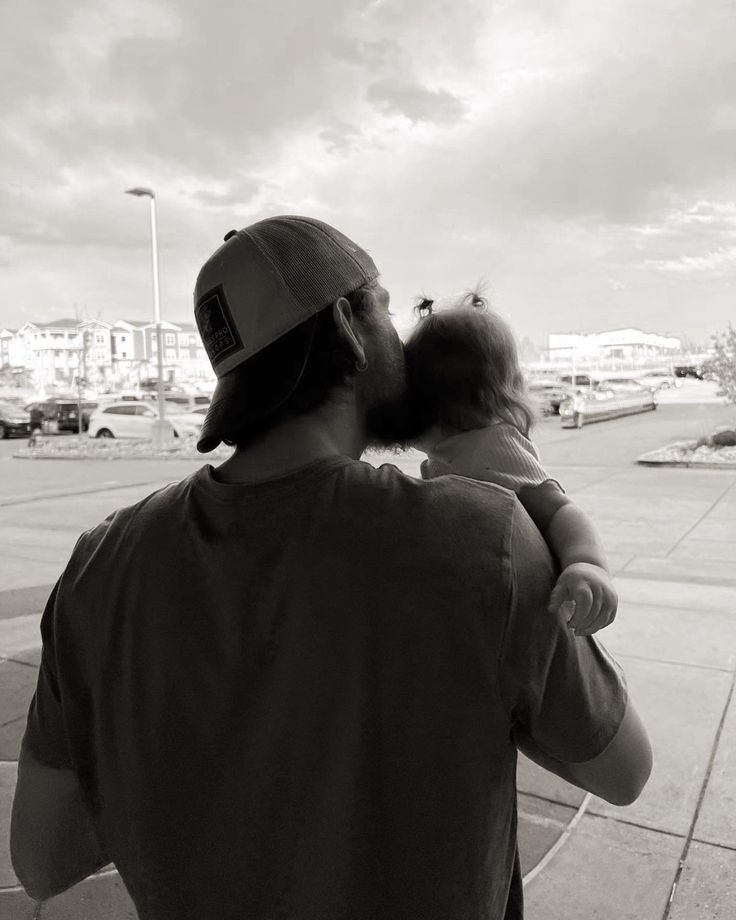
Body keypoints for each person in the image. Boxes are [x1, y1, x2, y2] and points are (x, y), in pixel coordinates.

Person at [11, 216, 652, 920]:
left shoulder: (102, 565)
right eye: (383, 304)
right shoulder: (484, 540)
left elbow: (41, 863)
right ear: (349, 324)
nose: (404, 347)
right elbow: (623, 769)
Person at [402, 293, 617, 636]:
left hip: (522, 614)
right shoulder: (447, 452)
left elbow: (559, 509)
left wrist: (587, 563)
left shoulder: (493, 445)